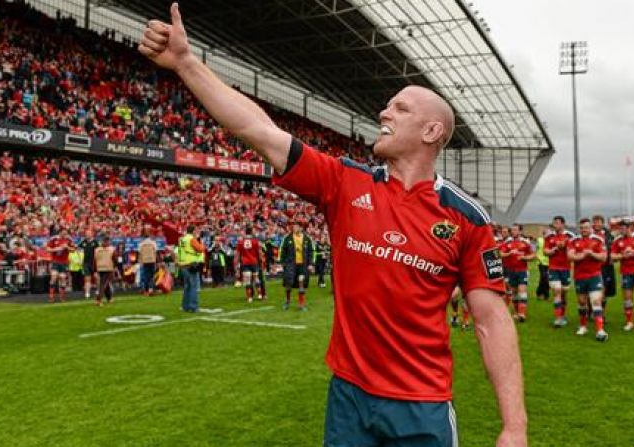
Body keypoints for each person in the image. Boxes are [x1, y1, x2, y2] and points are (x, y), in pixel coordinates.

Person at [139, 5, 526, 445]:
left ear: (432, 130)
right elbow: (257, 130)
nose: (385, 112)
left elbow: (492, 321)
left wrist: (514, 426)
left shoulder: (465, 217)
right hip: (349, 399)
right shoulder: (343, 182)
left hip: (423, 406)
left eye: (400, 107)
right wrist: (187, 63)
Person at [568, 218, 609, 341]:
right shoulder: (573, 240)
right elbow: (570, 256)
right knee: (582, 302)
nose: (584, 230)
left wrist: (591, 253)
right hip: (580, 276)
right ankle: (583, 326)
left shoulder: (598, 240)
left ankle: (600, 330)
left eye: (586, 227)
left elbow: (604, 258)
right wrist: (582, 255)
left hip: (594, 275)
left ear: (590, 227)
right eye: (581, 228)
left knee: (596, 301)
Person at [544, 216, 575, 327]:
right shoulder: (549, 236)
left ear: (563, 224)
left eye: (557, 223)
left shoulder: (570, 236)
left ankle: (563, 314)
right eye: (554, 222)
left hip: (566, 269)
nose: (555, 224)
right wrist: (553, 250)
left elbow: (574, 251)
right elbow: (545, 251)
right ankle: (558, 318)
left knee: (564, 294)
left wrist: (565, 246)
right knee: (557, 291)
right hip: (553, 268)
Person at [500, 224, 535, 322]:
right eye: (512, 230)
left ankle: (522, 313)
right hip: (511, 271)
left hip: (522, 271)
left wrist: (524, 258)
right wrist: (509, 254)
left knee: (522, 291)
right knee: (514, 293)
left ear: (520, 231)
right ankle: (516, 312)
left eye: (516, 230)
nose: (513, 232)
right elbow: (500, 254)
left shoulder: (525, 242)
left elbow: (533, 255)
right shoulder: (507, 242)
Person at [278, 222, 314, 311]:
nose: (294, 228)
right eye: (293, 227)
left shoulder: (307, 239)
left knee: (301, 282)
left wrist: (310, 264)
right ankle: (287, 301)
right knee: (288, 284)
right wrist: (282, 263)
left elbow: (311, 252)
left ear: (301, 228)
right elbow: (282, 250)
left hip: (303, 265)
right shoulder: (287, 238)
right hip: (290, 264)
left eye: (296, 227)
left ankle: (301, 304)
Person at [178, 224, 205, 312]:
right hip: (191, 264)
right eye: (195, 231)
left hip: (183, 263)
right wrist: (201, 241)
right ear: (193, 231)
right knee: (193, 286)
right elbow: (200, 249)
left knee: (187, 286)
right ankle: (193, 306)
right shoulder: (191, 239)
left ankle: (185, 306)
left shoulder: (182, 239)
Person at [592, 215, 617, 310]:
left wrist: (612, 258)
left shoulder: (608, 235)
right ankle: (592, 310)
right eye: (594, 221)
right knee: (592, 290)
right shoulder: (589, 234)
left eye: (598, 222)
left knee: (604, 290)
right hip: (593, 266)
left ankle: (601, 313)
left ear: (602, 223)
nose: (596, 224)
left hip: (606, 266)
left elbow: (613, 248)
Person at [45, 228, 74, 303]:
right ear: (60, 233)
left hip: (64, 262)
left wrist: (67, 247)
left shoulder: (68, 240)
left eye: (66, 233)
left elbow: (73, 250)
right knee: (54, 276)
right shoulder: (54, 239)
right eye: (63, 233)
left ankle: (62, 296)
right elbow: (47, 249)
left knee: (63, 278)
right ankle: (51, 297)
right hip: (55, 261)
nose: (64, 235)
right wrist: (57, 249)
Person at [236, 227, 263, 303]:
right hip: (254, 262)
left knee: (247, 281)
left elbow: (237, 254)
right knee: (256, 279)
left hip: (245, 263)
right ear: (251, 232)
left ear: (245, 232)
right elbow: (259, 253)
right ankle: (259, 295)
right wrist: (261, 260)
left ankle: (249, 298)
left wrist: (237, 264)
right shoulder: (255, 241)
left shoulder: (240, 242)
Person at [93, 235, 118, 306]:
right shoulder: (112, 249)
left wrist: (94, 270)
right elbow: (115, 259)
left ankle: (109, 298)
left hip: (100, 268)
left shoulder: (97, 249)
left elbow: (94, 260)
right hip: (108, 268)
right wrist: (115, 267)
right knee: (104, 284)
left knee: (105, 284)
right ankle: (98, 299)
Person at [78, 229, 99, 299]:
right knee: (87, 278)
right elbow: (78, 248)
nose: (87, 235)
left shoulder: (95, 242)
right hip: (86, 263)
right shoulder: (83, 242)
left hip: (94, 263)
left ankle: (98, 290)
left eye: (88, 233)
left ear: (92, 234)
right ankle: (87, 293)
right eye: (86, 233)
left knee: (96, 277)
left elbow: (99, 251)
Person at [138, 227, 158, 296]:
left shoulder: (141, 243)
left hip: (144, 261)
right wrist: (156, 262)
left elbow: (140, 254)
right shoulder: (153, 242)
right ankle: (151, 289)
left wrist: (140, 262)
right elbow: (155, 253)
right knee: (152, 276)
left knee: (145, 276)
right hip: (152, 261)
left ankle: (146, 291)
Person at [534, 229, 550, 300]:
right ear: (544, 234)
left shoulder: (550, 241)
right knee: (544, 277)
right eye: (547, 234)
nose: (549, 235)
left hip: (549, 262)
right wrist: (537, 257)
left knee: (544, 279)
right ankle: (546, 295)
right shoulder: (539, 240)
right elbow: (536, 249)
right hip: (541, 262)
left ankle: (539, 292)